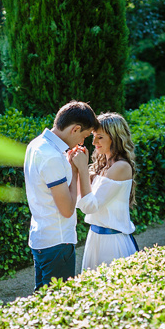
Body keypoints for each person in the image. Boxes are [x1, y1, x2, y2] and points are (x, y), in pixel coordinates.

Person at [24, 100, 100, 291]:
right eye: (84, 136)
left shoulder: (36, 145)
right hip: (57, 242)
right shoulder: (52, 156)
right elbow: (66, 210)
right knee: (58, 305)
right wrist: (75, 171)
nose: (82, 142)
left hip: (41, 237)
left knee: (42, 303)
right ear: (75, 129)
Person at [70, 112, 138, 272]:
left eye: (99, 137)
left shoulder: (120, 168)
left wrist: (83, 169)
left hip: (112, 244)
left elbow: (90, 207)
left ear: (115, 138)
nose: (93, 142)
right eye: (93, 136)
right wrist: (77, 168)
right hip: (94, 239)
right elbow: (81, 201)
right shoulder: (102, 166)